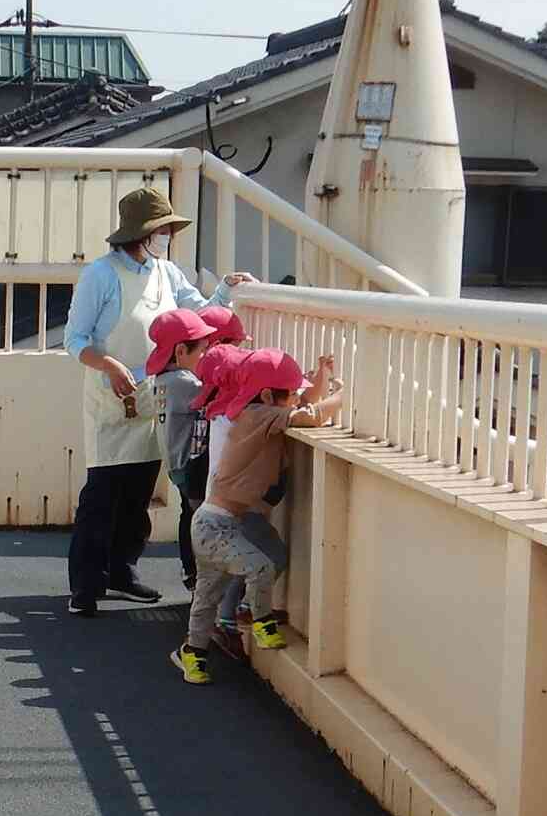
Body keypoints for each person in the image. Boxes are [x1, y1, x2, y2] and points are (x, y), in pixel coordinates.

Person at [61, 186, 253, 616]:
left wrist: (225, 290)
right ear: (143, 233)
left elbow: (199, 314)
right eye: (163, 228)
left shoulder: (167, 272)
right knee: (102, 492)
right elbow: (75, 340)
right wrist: (109, 366)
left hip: (154, 395)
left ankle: (123, 570)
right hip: (111, 394)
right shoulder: (101, 274)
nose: (168, 234)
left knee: (139, 490)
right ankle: (86, 585)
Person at [177, 347, 344, 685]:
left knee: (208, 596)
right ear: (268, 395)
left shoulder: (256, 410)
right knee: (260, 565)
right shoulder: (259, 415)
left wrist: (321, 380)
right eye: (287, 395)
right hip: (217, 524)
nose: (292, 399)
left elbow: (298, 403)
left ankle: (193, 654)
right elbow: (309, 415)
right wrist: (343, 395)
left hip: (214, 522)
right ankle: (260, 621)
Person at [143, 306, 240, 591]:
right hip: (192, 466)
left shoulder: (163, 380)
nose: (206, 357)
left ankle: (192, 573)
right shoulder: (183, 383)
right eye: (202, 351)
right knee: (203, 523)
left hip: (178, 465)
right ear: (180, 352)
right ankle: (204, 580)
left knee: (190, 515)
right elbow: (220, 394)